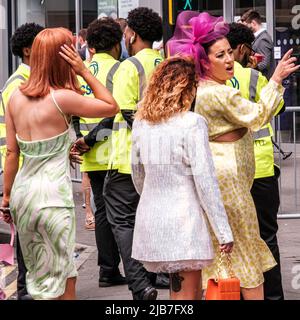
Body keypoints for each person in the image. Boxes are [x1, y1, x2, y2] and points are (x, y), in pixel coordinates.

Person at [167, 11, 299, 300]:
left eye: (229, 52)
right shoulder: (218, 93)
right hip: (228, 183)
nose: (228, 60)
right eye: (219, 55)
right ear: (204, 61)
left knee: (225, 253)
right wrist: (275, 79)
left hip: (222, 179)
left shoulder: (203, 88)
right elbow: (257, 115)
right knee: (245, 251)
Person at [1, 27, 119, 300]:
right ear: (63, 58)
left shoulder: (15, 97)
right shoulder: (62, 98)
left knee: (38, 276)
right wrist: (83, 71)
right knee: (64, 275)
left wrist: (6, 198)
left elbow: (12, 153)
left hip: (23, 196)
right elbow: (110, 105)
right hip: (54, 197)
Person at [74, 7, 164, 300]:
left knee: (115, 217)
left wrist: (83, 140)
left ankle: (130, 278)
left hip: (119, 154)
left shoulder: (125, 67)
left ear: (132, 34)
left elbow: (119, 114)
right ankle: (154, 274)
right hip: (160, 155)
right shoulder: (167, 64)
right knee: (147, 215)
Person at [131, 56, 234, 300]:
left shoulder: (141, 124)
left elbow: (137, 174)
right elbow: (205, 180)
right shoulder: (192, 123)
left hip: (151, 218)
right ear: (188, 90)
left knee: (175, 295)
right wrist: (223, 231)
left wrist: (152, 196)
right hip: (184, 220)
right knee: (188, 297)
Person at [226, 22, 285, 300]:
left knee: (232, 240)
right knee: (266, 237)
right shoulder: (254, 77)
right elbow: (278, 106)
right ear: (242, 49)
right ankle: (272, 296)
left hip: (230, 172)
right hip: (260, 167)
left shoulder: (212, 80)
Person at [76, 17, 127, 287]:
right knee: (121, 215)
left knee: (102, 213)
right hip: (113, 152)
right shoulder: (120, 69)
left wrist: (81, 140)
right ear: (117, 43)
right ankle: (124, 269)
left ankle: (107, 270)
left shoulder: (81, 70)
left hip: (90, 155)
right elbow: (115, 110)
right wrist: (95, 139)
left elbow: (74, 112)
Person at [0, 22, 44, 301]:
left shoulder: (31, 81)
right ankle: (26, 291)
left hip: (30, 170)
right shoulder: (18, 85)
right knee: (26, 235)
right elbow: (11, 145)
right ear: (28, 51)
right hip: (22, 172)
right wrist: (7, 189)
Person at [240, 10, 275, 79]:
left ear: (253, 23)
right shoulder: (261, 37)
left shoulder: (263, 39)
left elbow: (264, 64)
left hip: (263, 81)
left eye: (246, 25)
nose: (245, 28)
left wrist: (247, 68)